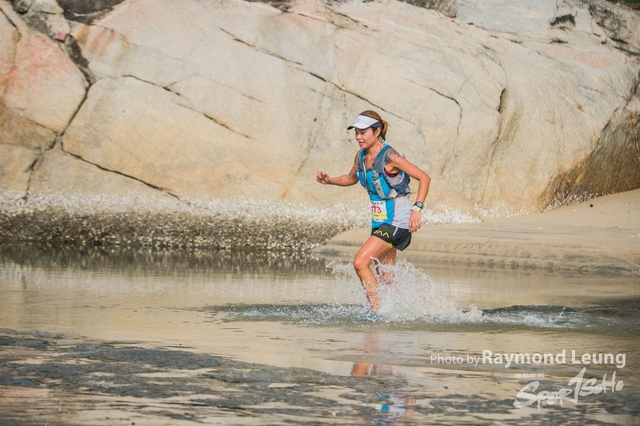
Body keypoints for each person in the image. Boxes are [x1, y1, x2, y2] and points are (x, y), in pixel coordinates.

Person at [317, 110, 431, 313]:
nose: (358, 137)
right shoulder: (361, 156)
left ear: (377, 131)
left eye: (363, 132)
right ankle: (407, 313)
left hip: (397, 219)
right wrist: (330, 180)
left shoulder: (390, 156)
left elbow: (424, 177)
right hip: (379, 221)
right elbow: (352, 178)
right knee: (386, 277)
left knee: (360, 263)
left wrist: (417, 209)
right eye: (356, 132)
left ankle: (377, 312)